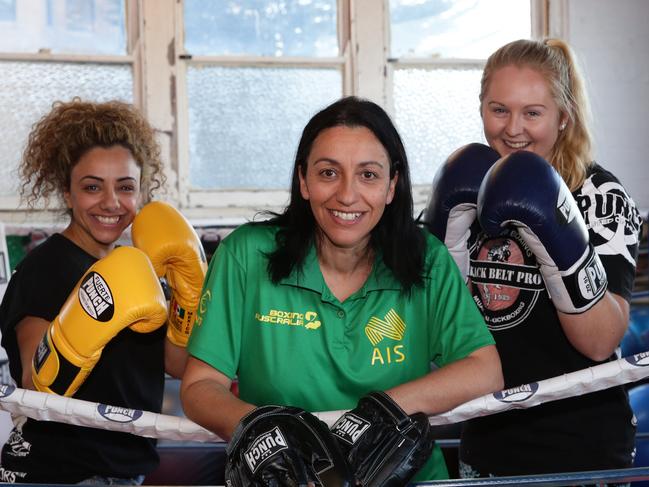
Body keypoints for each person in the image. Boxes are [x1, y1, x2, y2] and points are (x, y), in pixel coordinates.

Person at [180, 96, 503, 483]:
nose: (347, 196)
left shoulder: (425, 259)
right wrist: (265, 435)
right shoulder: (245, 256)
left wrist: (377, 415)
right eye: (328, 173)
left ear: (391, 185)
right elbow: (200, 386)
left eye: (368, 174)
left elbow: (484, 370)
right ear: (303, 180)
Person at [429, 39, 642, 480]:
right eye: (499, 109)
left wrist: (553, 231)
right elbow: (436, 335)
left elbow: (601, 341)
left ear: (563, 116)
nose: (513, 129)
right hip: (486, 444)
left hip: (582, 450)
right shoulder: (467, 191)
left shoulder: (599, 197)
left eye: (532, 113)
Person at [0, 99, 196, 484]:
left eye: (125, 187)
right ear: (67, 192)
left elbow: (176, 364)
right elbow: (34, 379)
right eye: (92, 187)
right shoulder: (47, 267)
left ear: (141, 193)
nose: (110, 202)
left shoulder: (136, 269)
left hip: (122, 468)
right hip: (58, 471)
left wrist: (188, 303)